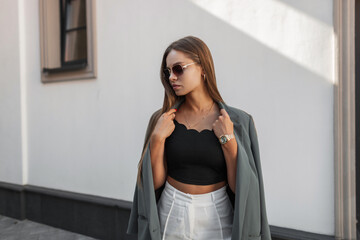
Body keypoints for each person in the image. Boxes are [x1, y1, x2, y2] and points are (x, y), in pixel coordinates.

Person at [126, 36, 272, 240]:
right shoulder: (162, 119)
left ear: (203, 68)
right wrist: (157, 139)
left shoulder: (238, 121)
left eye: (178, 69)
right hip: (171, 210)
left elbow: (241, 188)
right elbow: (155, 182)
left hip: (218, 215)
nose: (171, 77)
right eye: (167, 72)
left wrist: (228, 141)